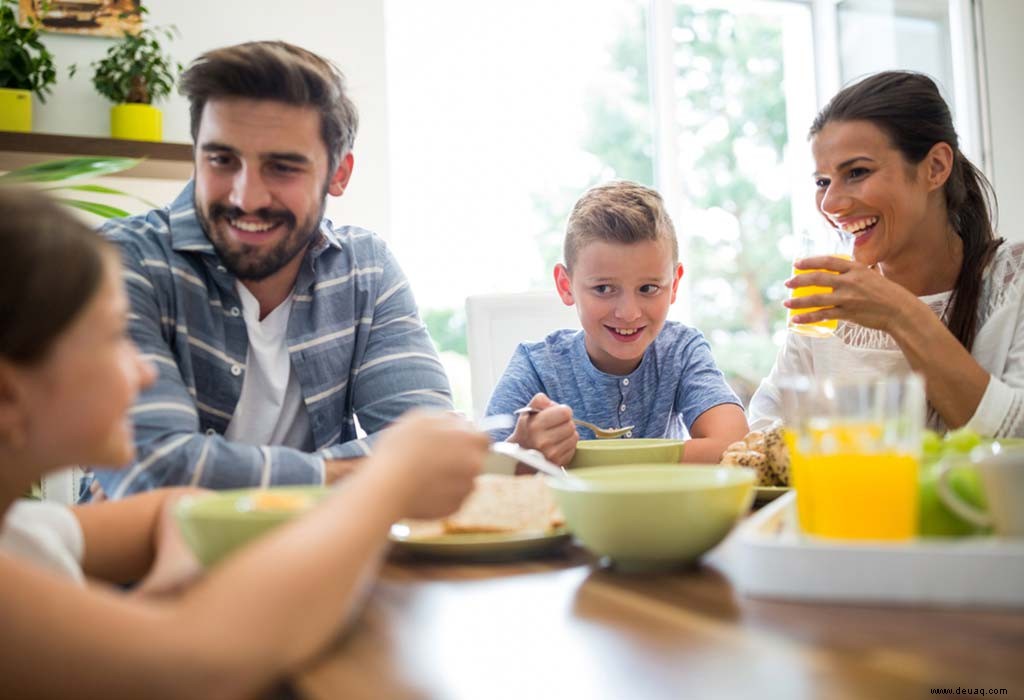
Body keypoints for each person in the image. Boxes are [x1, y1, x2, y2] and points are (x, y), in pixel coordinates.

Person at [0, 188, 488, 698]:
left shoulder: (22, 532)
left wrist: (178, 565)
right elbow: (208, 662)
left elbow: (174, 504)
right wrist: (390, 478)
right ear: (8, 395)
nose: (145, 370)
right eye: (112, 339)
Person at [89, 41, 453, 499]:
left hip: (321, 557)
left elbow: (429, 441)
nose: (247, 198)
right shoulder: (120, 262)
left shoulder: (366, 270)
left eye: (282, 167)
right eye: (222, 160)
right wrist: (357, 474)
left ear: (339, 174)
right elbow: (151, 471)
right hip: (142, 568)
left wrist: (209, 474)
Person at [749, 71, 1023, 437]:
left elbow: (1015, 440)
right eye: (822, 182)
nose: (831, 203)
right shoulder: (830, 303)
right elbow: (765, 427)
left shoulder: (1011, 283)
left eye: (857, 172)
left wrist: (899, 313)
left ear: (936, 167)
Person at [485, 181, 748, 465]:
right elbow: (477, 472)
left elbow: (734, 446)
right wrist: (520, 451)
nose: (629, 313)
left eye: (648, 288)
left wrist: (597, 461)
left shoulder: (681, 350)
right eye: (603, 289)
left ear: (674, 285)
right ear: (566, 285)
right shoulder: (537, 365)